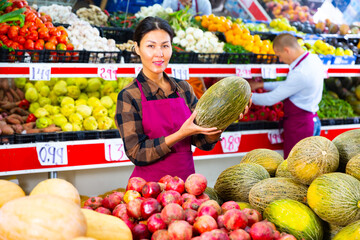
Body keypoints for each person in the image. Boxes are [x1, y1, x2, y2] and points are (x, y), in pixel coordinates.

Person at [115, 16, 249, 182]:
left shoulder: (183, 89)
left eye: (165, 46)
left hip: (187, 188)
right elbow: (137, 153)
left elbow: (203, 142)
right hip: (148, 192)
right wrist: (180, 134)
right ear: (137, 48)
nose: (159, 54)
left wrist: (225, 119)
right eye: (151, 46)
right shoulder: (129, 95)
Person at [249, 33, 324, 159]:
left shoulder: (301, 73)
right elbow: (289, 85)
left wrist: (245, 96)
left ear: (287, 50)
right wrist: (261, 84)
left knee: (295, 167)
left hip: (300, 126)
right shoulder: (313, 59)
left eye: (279, 56)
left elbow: (270, 99)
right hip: (311, 120)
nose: (280, 60)